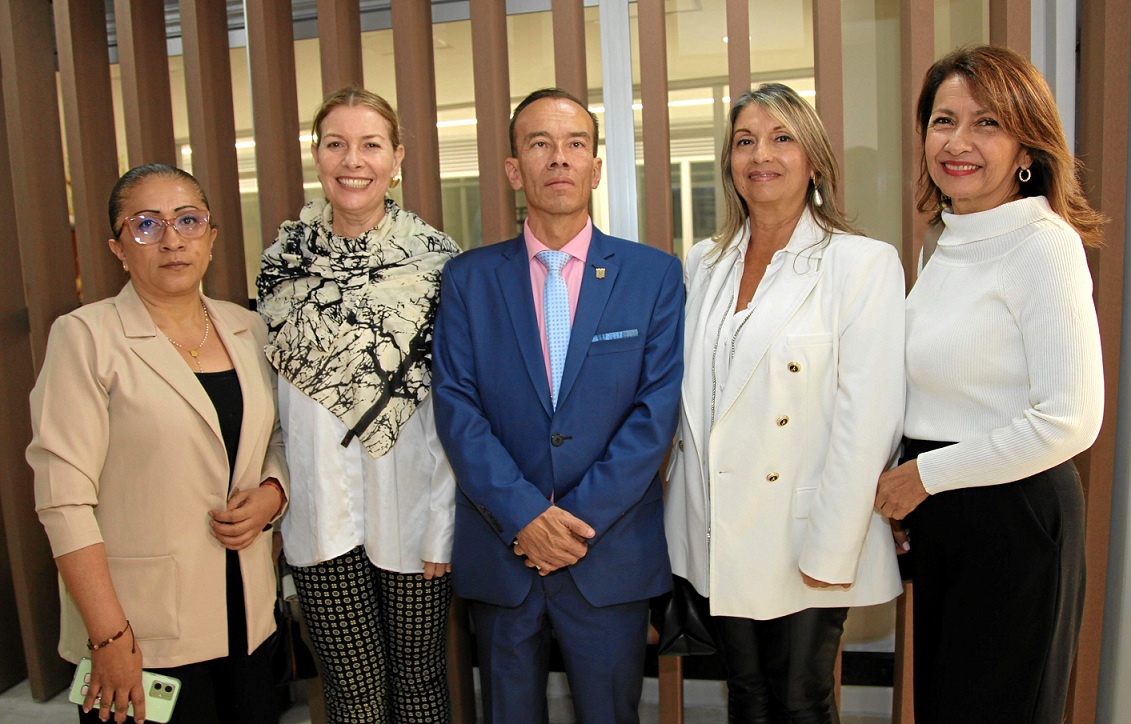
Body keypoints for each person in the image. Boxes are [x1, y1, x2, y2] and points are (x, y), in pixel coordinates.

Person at [431, 87, 684, 723]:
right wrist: (524, 517)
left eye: (575, 145)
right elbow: (458, 408)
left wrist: (570, 524)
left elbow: (655, 413)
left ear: (596, 168)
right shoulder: (468, 280)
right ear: (514, 169)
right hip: (504, 552)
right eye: (539, 144)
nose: (559, 159)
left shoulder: (652, 276)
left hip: (606, 551)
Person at [874, 45, 1105, 723]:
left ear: (1026, 147)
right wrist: (909, 484)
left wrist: (923, 476)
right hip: (946, 515)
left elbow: (1068, 419)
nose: (958, 142)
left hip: (1015, 519)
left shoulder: (1042, 244)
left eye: (986, 124)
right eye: (943, 120)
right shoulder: (941, 240)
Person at [664, 83, 904, 723]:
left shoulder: (861, 265)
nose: (760, 155)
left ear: (814, 159)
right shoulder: (704, 263)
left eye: (781, 138)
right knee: (745, 695)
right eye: (745, 141)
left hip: (806, 530)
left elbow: (868, 421)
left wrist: (833, 549)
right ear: (729, 164)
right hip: (720, 528)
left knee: (801, 700)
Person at [29, 164, 288, 724]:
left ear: (212, 238)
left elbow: (278, 440)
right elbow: (63, 500)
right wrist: (108, 638)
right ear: (118, 248)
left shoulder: (249, 330)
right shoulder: (86, 338)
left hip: (245, 614)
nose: (172, 239)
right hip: (140, 628)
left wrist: (273, 492)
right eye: (146, 225)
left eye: (188, 221)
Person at [256, 86, 461, 723]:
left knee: (420, 685)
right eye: (336, 143)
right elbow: (273, 405)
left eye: (371, 145)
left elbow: (457, 405)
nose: (354, 160)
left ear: (397, 158)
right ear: (316, 156)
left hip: (415, 509)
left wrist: (444, 523)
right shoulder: (281, 265)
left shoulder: (441, 266)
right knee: (352, 696)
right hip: (320, 517)